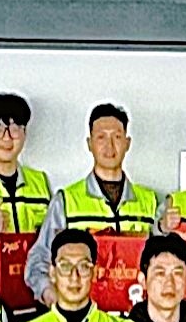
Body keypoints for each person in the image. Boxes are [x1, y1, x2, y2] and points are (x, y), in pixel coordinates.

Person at [43, 100, 162, 253]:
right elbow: (41, 257)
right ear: (89, 143)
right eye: (101, 137)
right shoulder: (65, 202)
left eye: (117, 137)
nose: (109, 146)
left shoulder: (150, 202)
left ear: (127, 143)